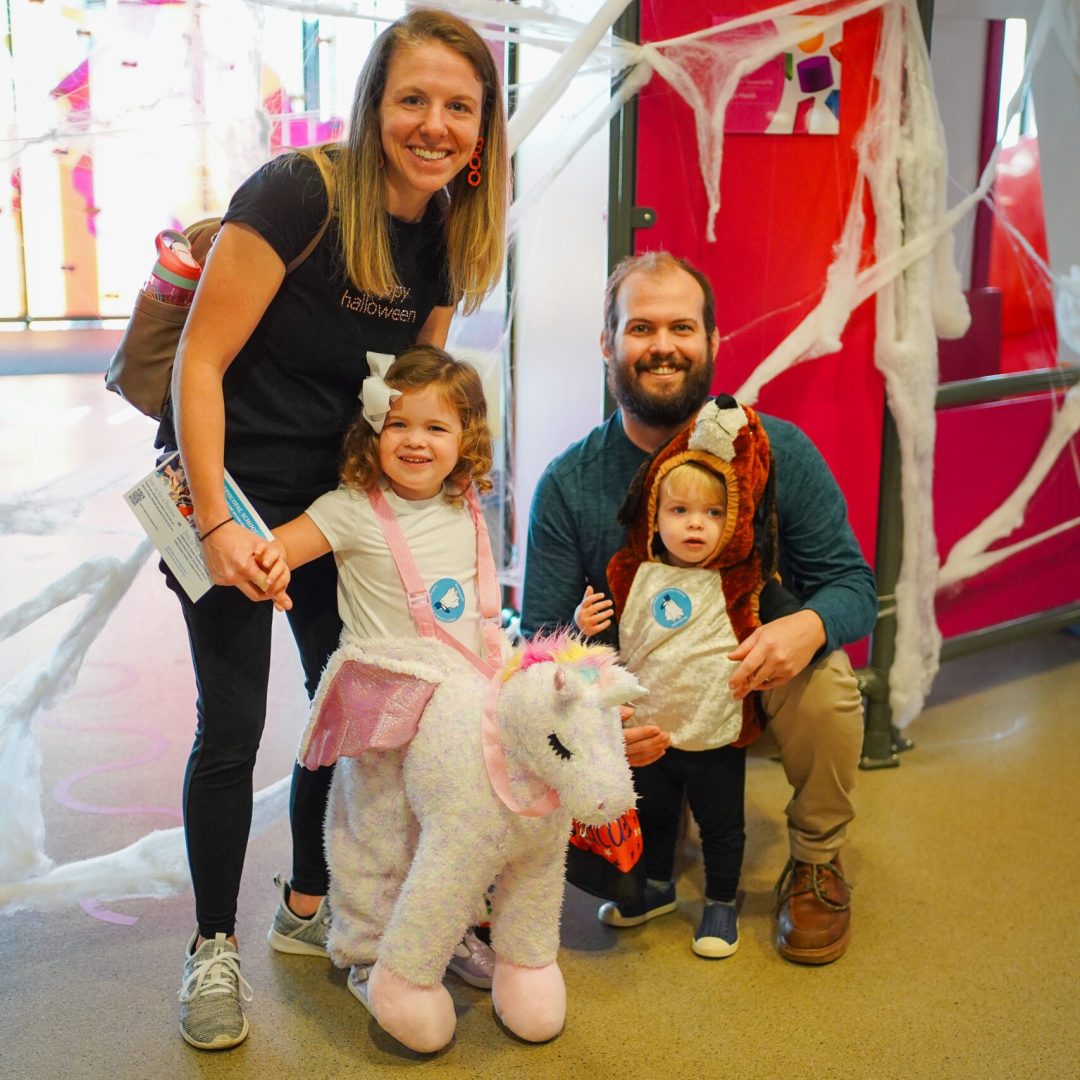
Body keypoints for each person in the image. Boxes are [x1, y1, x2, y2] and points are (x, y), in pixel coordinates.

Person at [161, 8, 509, 1050]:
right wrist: (219, 518)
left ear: (483, 125)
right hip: (223, 478)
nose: (434, 124)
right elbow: (200, 364)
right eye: (413, 98)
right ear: (373, 106)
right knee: (231, 725)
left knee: (350, 708)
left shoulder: (453, 225)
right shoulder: (296, 193)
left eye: (459, 105)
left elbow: (416, 392)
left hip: (339, 501)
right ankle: (212, 947)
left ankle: (313, 908)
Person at [521, 251, 877, 966]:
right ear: (608, 345)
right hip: (637, 702)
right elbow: (541, 639)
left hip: (744, 681)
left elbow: (853, 587)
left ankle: (814, 859)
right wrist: (596, 717)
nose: (662, 346)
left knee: (829, 686)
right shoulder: (569, 483)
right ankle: (653, 821)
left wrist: (804, 627)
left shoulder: (780, 453)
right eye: (640, 327)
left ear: (714, 342)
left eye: (682, 327)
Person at [255, 345, 502, 1050]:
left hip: (456, 711)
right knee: (376, 839)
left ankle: (443, 931)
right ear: (372, 431)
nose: (417, 442)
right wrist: (259, 561)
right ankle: (368, 951)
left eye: (436, 428)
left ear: (466, 441)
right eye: (399, 426)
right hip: (384, 712)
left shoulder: (467, 503)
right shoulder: (349, 511)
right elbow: (279, 547)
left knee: (446, 834)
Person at [574, 401, 800, 960]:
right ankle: (655, 889)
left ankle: (721, 901)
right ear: (654, 515)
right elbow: (604, 648)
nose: (695, 524)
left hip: (716, 731)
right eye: (680, 510)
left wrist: (792, 631)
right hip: (651, 736)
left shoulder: (743, 580)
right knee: (654, 815)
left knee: (722, 826)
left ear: (738, 519)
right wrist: (584, 627)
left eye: (714, 513)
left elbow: (793, 622)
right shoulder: (631, 574)